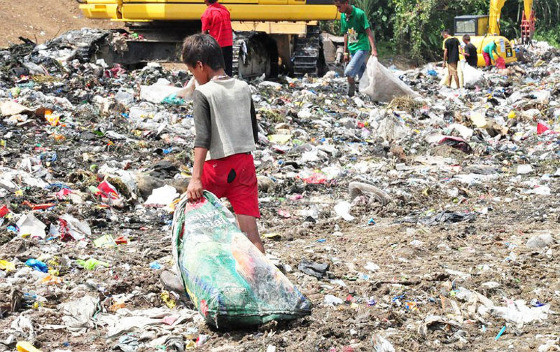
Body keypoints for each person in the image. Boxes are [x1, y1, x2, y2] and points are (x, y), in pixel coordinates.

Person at [182, 34, 265, 253]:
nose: (194, 78)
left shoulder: (203, 92)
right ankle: (260, 281)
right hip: (245, 164)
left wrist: (196, 178)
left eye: (193, 72)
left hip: (216, 167)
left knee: (194, 224)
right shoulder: (243, 87)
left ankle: (193, 281)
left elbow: (203, 139)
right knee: (249, 231)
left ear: (200, 65)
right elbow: (253, 131)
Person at [334, 0, 378, 97]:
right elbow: (345, 34)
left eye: (339, 6)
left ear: (346, 3)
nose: (338, 9)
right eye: (336, 7)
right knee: (362, 73)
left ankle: (351, 92)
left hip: (362, 47)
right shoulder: (343, 16)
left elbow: (368, 31)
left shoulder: (359, 14)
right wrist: (345, 52)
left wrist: (373, 49)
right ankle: (369, 93)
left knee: (349, 72)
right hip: (352, 48)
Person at [201, 0, 233, 76]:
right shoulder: (224, 9)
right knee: (227, 69)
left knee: (216, 70)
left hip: (217, 45)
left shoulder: (207, 13)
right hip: (228, 43)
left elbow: (204, 34)